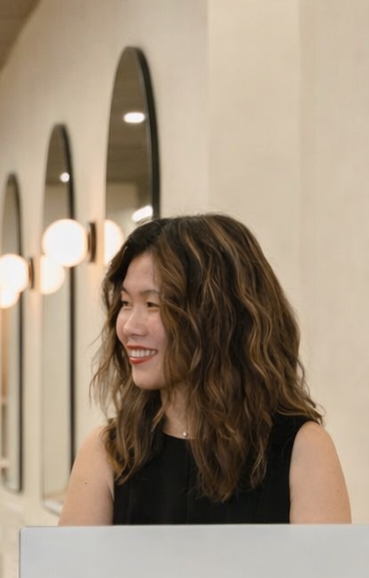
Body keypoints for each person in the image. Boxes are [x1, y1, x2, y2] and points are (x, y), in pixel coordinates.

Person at [60, 213, 350, 526]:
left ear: (218, 319)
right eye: (126, 303)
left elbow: (325, 575)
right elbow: (70, 575)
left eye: (152, 305)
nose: (129, 326)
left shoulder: (304, 450)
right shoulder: (106, 453)